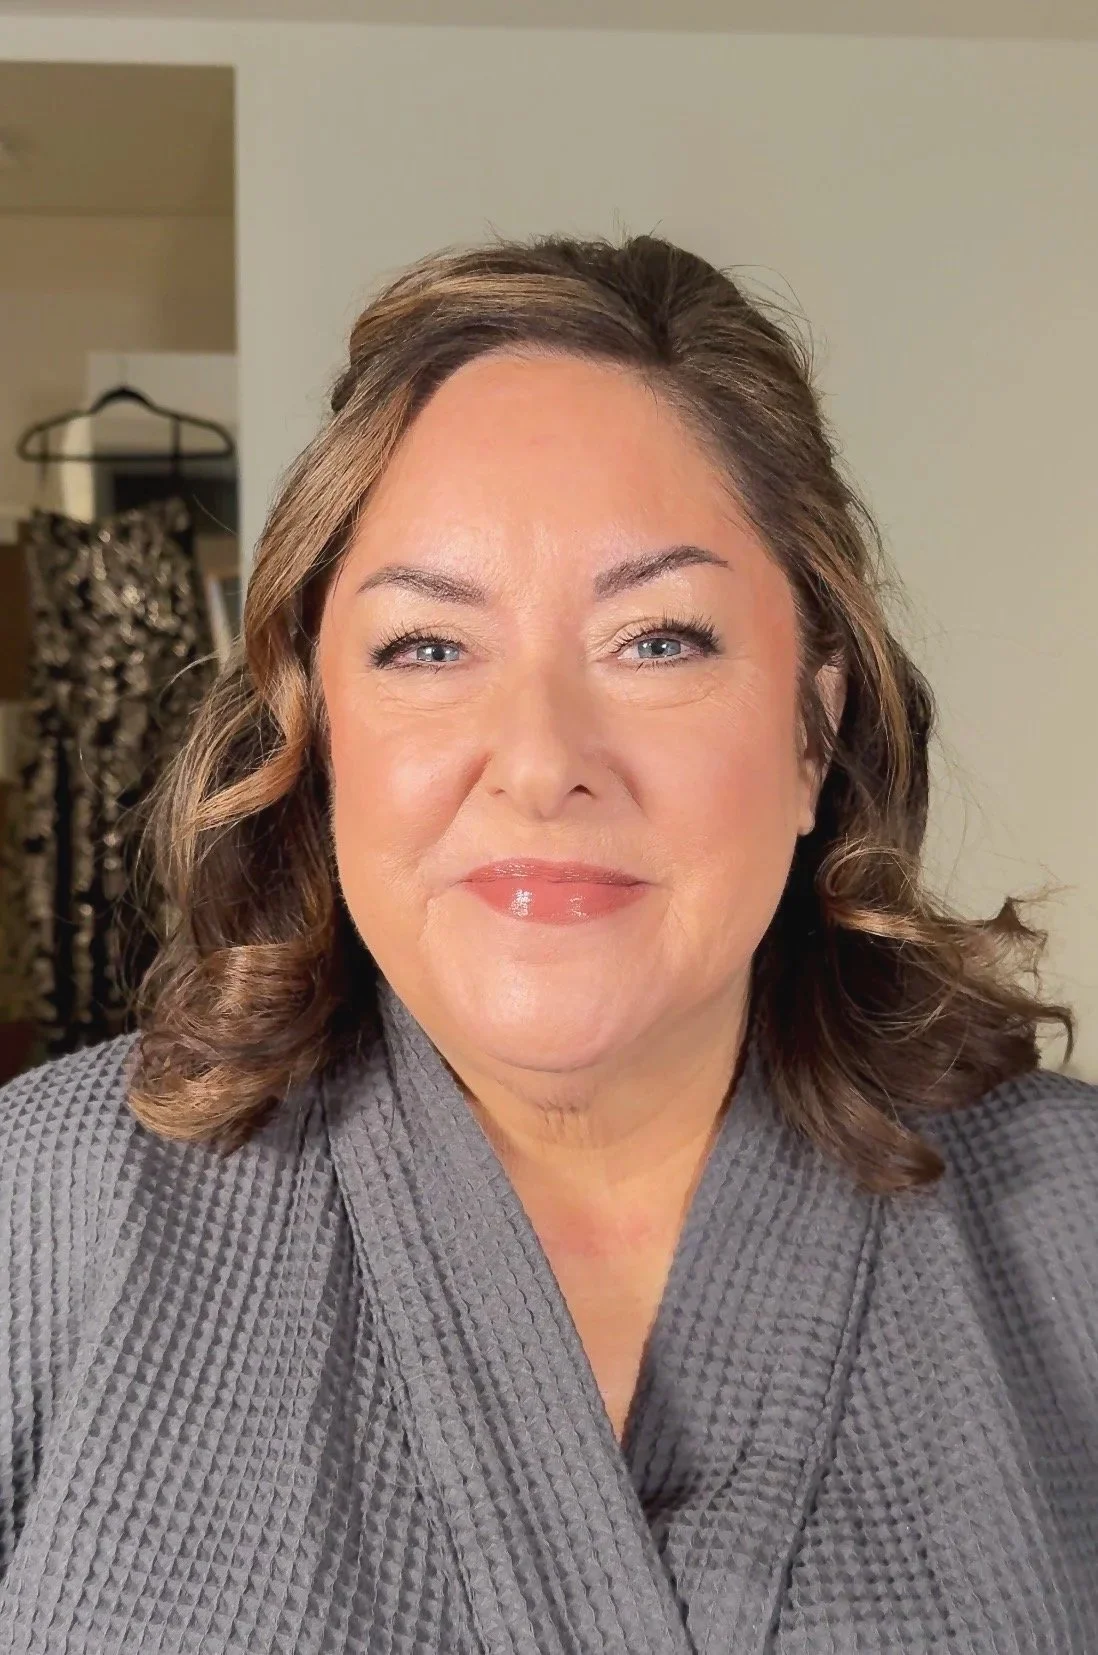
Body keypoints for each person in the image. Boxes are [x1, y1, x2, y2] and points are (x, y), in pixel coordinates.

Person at [1, 231, 1095, 1655]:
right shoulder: (46, 1205)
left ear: (812, 725)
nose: (538, 761)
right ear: (317, 733)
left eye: (658, 640)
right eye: (427, 649)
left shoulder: (1068, 1229)